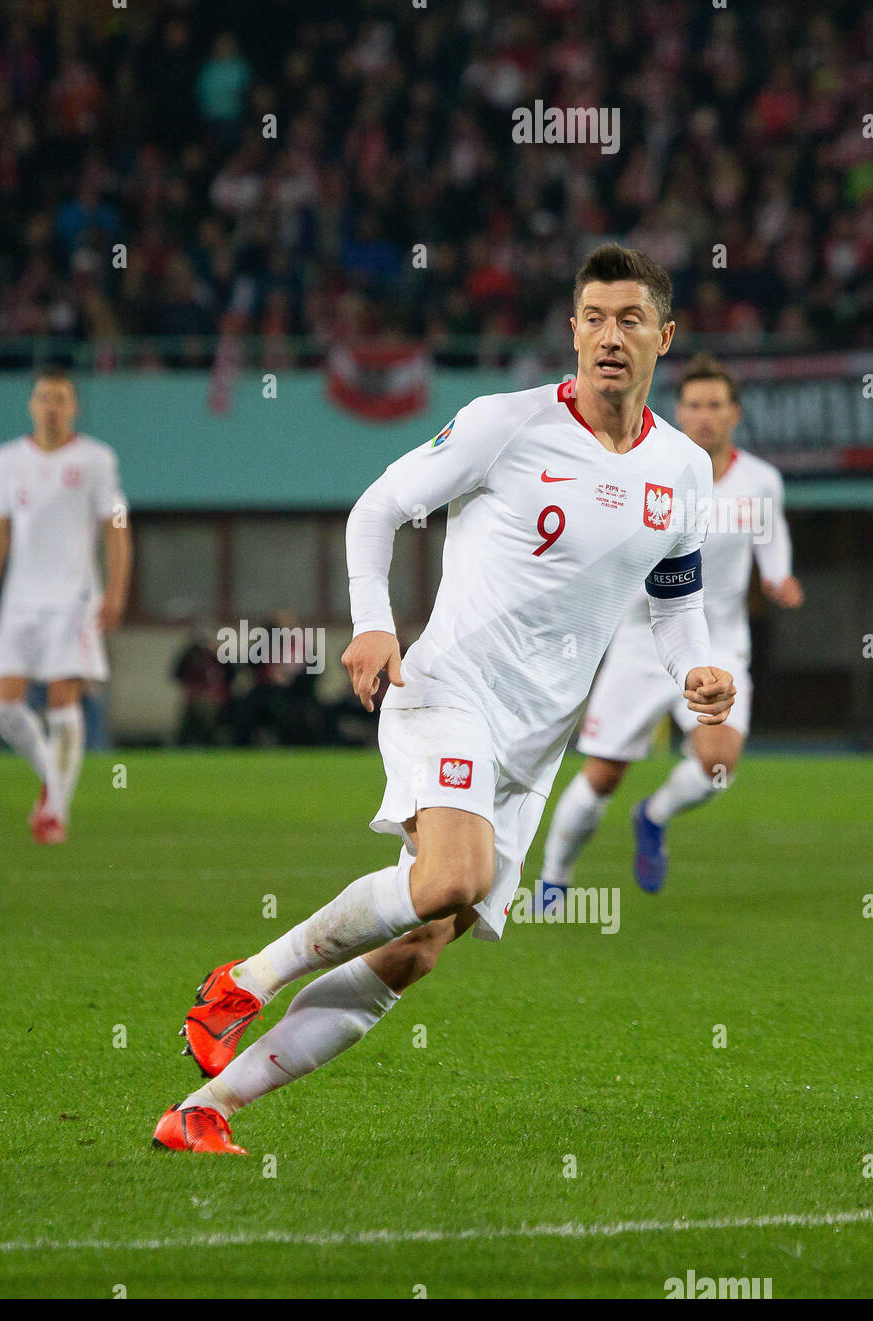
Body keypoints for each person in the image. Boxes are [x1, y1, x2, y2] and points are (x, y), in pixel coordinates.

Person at [153, 244, 736, 1154]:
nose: (608, 337)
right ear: (572, 330)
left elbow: (676, 600)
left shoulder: (685, 471)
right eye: (592, 317)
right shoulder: (505, 424)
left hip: (535, 748)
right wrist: (374, 623)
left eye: (629, 320)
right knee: (451, 878)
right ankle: (243, 979)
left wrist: (694, 668)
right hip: (451, 692)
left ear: (666, 335)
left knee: (417, 949)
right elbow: (376, 509)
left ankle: (205, 1111)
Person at [539, 355, 802, 896]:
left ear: (736, 415)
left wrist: (779, 577)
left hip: (719, 644)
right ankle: (553, 880)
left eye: (714, 405)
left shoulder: (761, 482)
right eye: (693, 405)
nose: (703, 416)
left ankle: (653, 817)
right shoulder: (647, 468)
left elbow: (770, 538)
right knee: (604, 774)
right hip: (640, 640)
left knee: (718, 765)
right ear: (678, 410)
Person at [0, 370, 132, 842]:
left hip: (74, 599)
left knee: (63, 699)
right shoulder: (7, 460)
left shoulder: (96, 459)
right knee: (3, 704)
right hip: (19, 600)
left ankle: (55, 810)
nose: (52, 407)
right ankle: (52, 780)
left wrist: (115, 592)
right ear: (31, 406)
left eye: (61, 399)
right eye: (44, 398)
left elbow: (117, 527)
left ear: (73, 407)